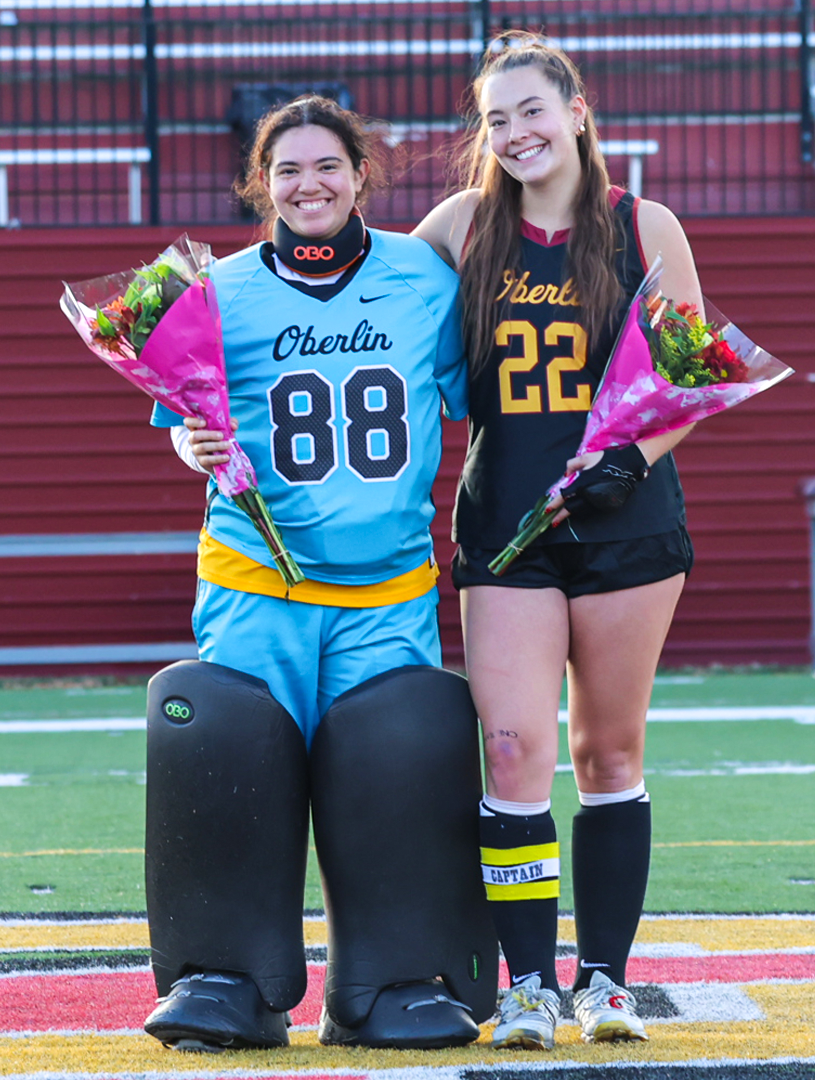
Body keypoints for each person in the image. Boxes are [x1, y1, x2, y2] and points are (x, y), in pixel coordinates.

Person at [139, 96, 497, 1053]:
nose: (310, 184)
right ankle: (227, 977)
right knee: (234, 764)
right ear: (264, 185)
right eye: (289, 170)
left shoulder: (422, 275)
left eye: (328, 166)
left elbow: (469, 398)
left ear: (360, 175)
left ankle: (389, 979)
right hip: (258, 583)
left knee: (393, 775)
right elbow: (184, 422)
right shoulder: (215, 289)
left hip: (386, 590)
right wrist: (190, 448)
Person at [413, 33, 704, 1051]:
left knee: (608, 750)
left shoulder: (640, 224)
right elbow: (362, 312)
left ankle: (607, 981)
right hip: (505, 527)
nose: (515, 133)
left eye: (531, 110)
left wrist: (637, 456)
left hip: (626, 526)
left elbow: (691, 371)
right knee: (512, 750)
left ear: (577, 110)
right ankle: (528, 982)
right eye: (495, 119)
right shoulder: (461, 225)